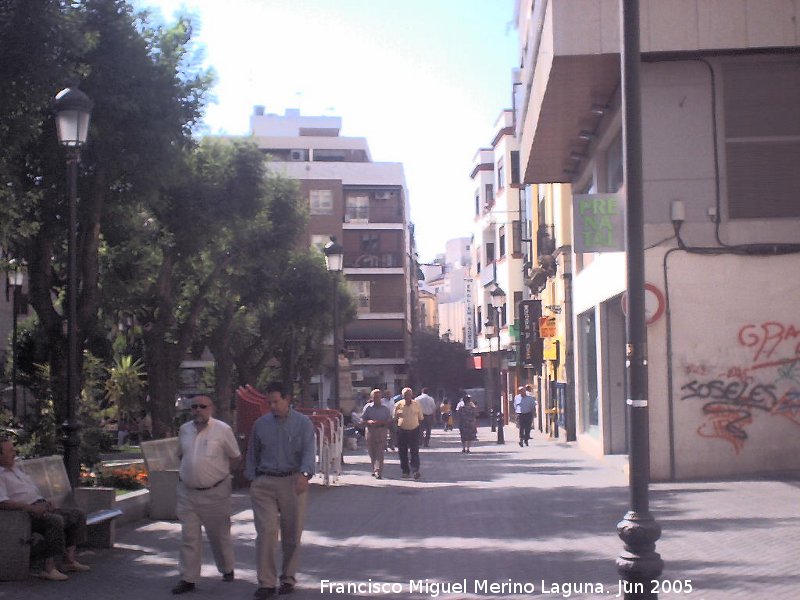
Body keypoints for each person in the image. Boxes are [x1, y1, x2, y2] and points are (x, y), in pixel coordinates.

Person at [246, 382, 316, 598]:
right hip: (265, 482)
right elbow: (252, 453)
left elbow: (308, 450)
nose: (273, 406)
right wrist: (253, 480)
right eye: (269, 403)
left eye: (276, 401)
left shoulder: (303, 423)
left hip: (292, 482)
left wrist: (304, 475)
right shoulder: (261, 424)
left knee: (292, 534)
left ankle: (287, 577)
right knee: (266, 532)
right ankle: (266, 582)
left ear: (288, 399)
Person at [171, 395, 241, 595]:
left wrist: (221, 476)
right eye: (194, 407)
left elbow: (235, 457)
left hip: (215, 493)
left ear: (211, 408)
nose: (198, 410)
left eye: (203, 406)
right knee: (189, 537)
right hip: (188, 493)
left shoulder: (222, 430)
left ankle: (227, 568)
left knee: (219, 536)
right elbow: (181, 455)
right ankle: (188, 578)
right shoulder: (184, 430)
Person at [0, 436, 91, 581]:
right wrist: (29, 508)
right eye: (10, 450)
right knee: (55, 521)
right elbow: (2, 503)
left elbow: (31, 492)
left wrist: (46, 502)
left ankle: (69, 561)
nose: (14, 453)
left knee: (77, 514)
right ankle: (48, 568)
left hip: (40, 506)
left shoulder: (16, 470)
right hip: (24, 516)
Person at [392, 387, 424, 480]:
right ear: (402, 396)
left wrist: (421, 432)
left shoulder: (416, 404)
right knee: (403, 452)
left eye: (409, 395)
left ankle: (415, 470)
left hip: (414, 430)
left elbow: (421, 418)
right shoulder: (398, 405)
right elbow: (394, 418)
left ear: (412, 395)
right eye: (405, 395)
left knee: (414, 451)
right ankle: (405, 471)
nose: (407, 397)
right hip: (402, 430)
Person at [360, 388, 392, 479]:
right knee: (372, 451)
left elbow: (389, 420)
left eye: (379, 397)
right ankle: (374, 468)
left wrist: (382, 422)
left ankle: (378, 471)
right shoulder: (368, 407)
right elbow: (362, 420)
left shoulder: (385, 408)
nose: (377, 398)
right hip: (370, 431)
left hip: (381, 431)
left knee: (380, 452)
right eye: (375, 397)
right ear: (372, 397)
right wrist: (369, 421)